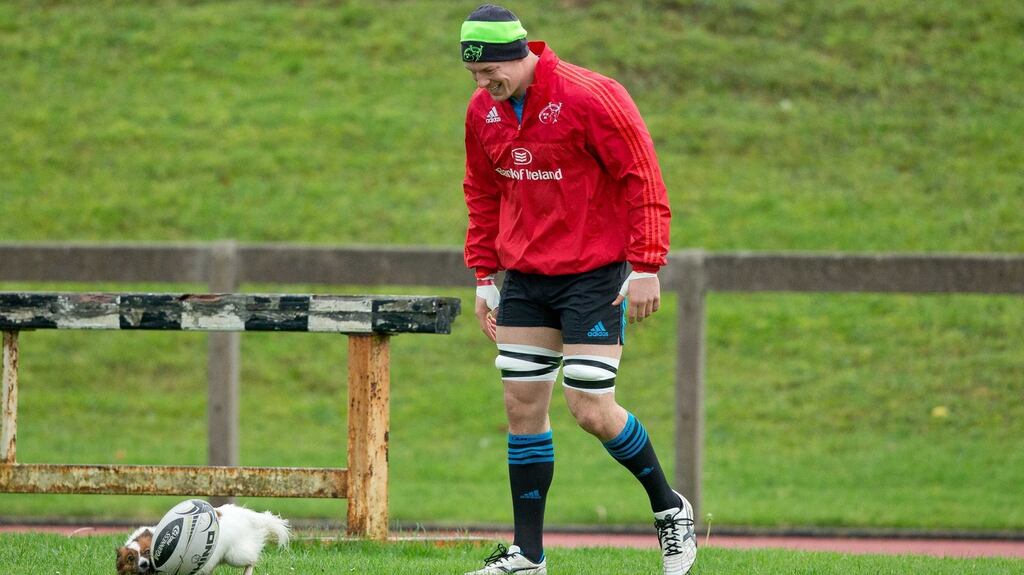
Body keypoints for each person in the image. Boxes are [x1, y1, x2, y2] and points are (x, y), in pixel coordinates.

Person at [459, 4, 697, 575]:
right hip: (525, 278)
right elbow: (481, 192)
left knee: (589, 405)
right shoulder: (482, 112)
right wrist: (485, 277)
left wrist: (646, 265)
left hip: (594, 275)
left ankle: (671, 511)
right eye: (472, 75)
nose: (483, 84)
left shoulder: (592, 96)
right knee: (522, 406)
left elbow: (642, 176)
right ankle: (529, 555)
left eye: (490, 70)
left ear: (519, 55)